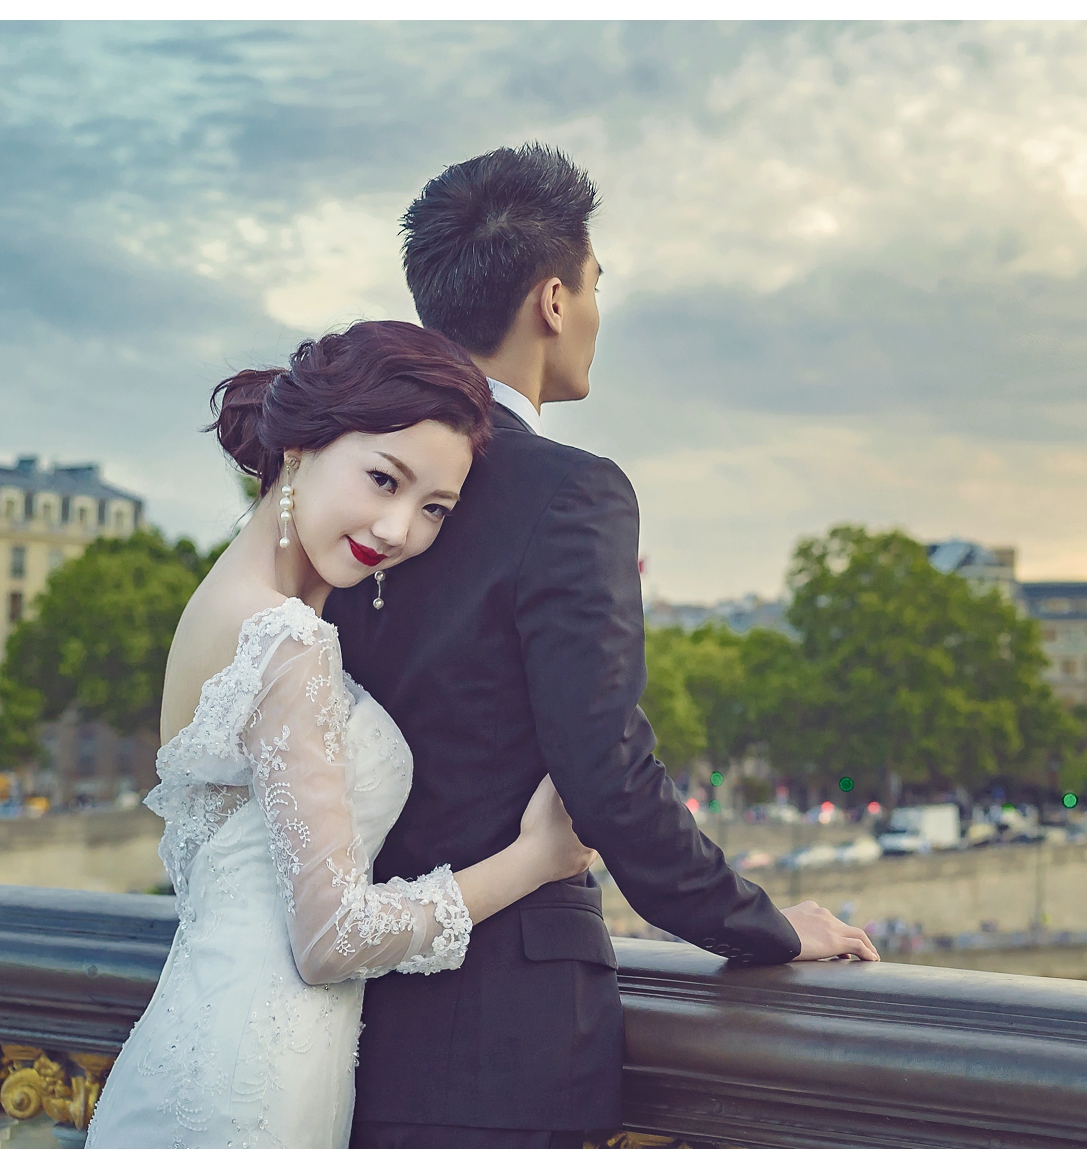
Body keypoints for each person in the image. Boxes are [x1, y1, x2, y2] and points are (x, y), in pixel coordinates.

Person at [328, 144, 876, 1150]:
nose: (592, 313)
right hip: (504, 1043)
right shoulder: (570, 490)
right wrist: (762, 923)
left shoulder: (347, 487)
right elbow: (606, 771)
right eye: (594, 286)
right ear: (550, 299)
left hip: (338, 1037)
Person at [89, 321, 604, 1148]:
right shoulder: (284, 640)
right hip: (255, 1084)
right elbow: (335, 937)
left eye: (433, 506)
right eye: (382, 478)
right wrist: (533, 860)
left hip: (213, 1046)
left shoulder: (237, 600)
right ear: (299, 448)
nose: (400, 529)